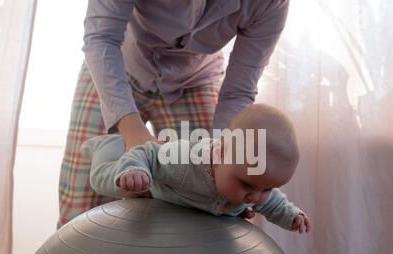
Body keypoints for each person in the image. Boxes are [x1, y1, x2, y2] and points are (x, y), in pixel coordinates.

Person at [59, 0, 291, 227]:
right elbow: (101, 38)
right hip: (115, 68)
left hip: (193, 81)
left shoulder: (271, 4)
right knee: (80, 205)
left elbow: (238, 92)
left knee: (203, 203)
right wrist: (132, 133)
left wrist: (231, 181)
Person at [81, 104, 312, 233]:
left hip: (180, 197)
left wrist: (291, 216)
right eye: (247, 184)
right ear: (221, 153)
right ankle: (106, 145)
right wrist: (135, 171)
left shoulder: (253, 180)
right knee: (105, 182)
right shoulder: (186, 163)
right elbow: (147, 151)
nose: (255, 197)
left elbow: (274, 203)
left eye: (267, 188)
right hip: (154, 183)